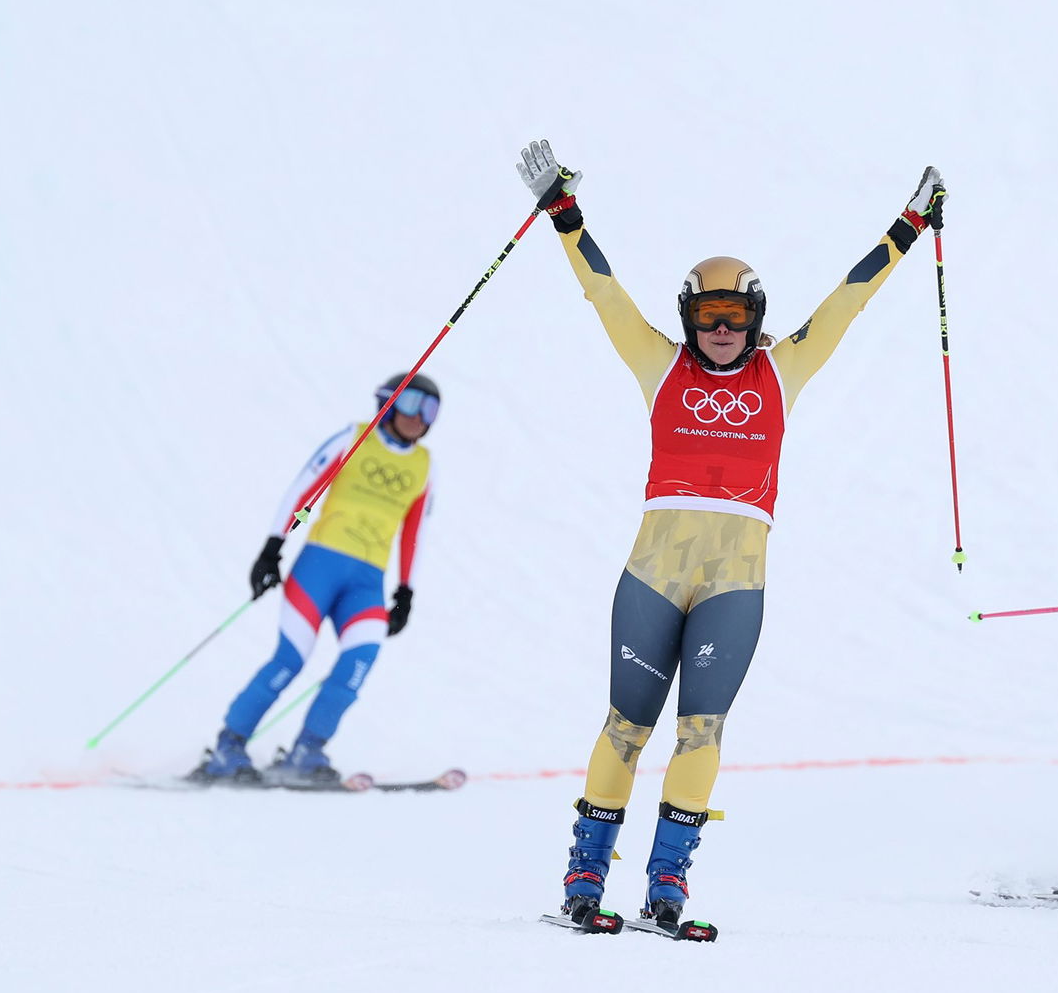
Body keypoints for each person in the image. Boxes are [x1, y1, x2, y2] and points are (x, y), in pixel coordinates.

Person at [515, 139, 945, 927]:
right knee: (626, 726)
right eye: (710, 316)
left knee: (702, 729)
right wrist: (564, 214)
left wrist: (910, 224)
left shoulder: (780, 373)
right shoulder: (660, 366)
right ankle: (584, 878)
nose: (722, 330)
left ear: (756, 321)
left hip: (734, 584)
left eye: (737, 317)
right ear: (688, 316)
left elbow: (848, 301)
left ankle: (668, 883)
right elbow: (603, 294)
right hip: (653, 575)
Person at [188, 373, 439, 786]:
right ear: (389, 403)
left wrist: (405, 592)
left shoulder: (424, 466)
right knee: (290, 660)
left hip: (366, 584)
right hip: (317, 572)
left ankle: (309, 749)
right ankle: (227, 747)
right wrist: (272, 548)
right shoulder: (354, 439)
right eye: (412, 402)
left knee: (359, 662)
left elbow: (415, 533)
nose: (419, 417)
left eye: (430, 409)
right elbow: (301, 490)